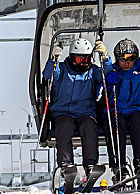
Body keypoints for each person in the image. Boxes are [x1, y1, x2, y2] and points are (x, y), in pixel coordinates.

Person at [42, 38, 112, 180]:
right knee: (65, 126)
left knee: (88, 126)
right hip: (63, 111)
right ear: (71, 57)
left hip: (85, 111)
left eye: (85, 60)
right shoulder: (61, 69)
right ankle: (66, 165)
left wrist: (105, 58)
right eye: (79, 60)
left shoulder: (93, 71)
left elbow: (108, 75)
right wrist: (53, 59)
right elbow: (48, 75)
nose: (82, 63)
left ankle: (90, 164)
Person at [98, 38, 140, 190]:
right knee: (114, 122)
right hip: (115, 110)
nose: (127, 63)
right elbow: (98, 96)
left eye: (131, 59)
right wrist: (106, 83)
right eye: (123, 59)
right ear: (117, 58)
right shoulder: (111, 71)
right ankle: (119, 165)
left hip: (134, 110)